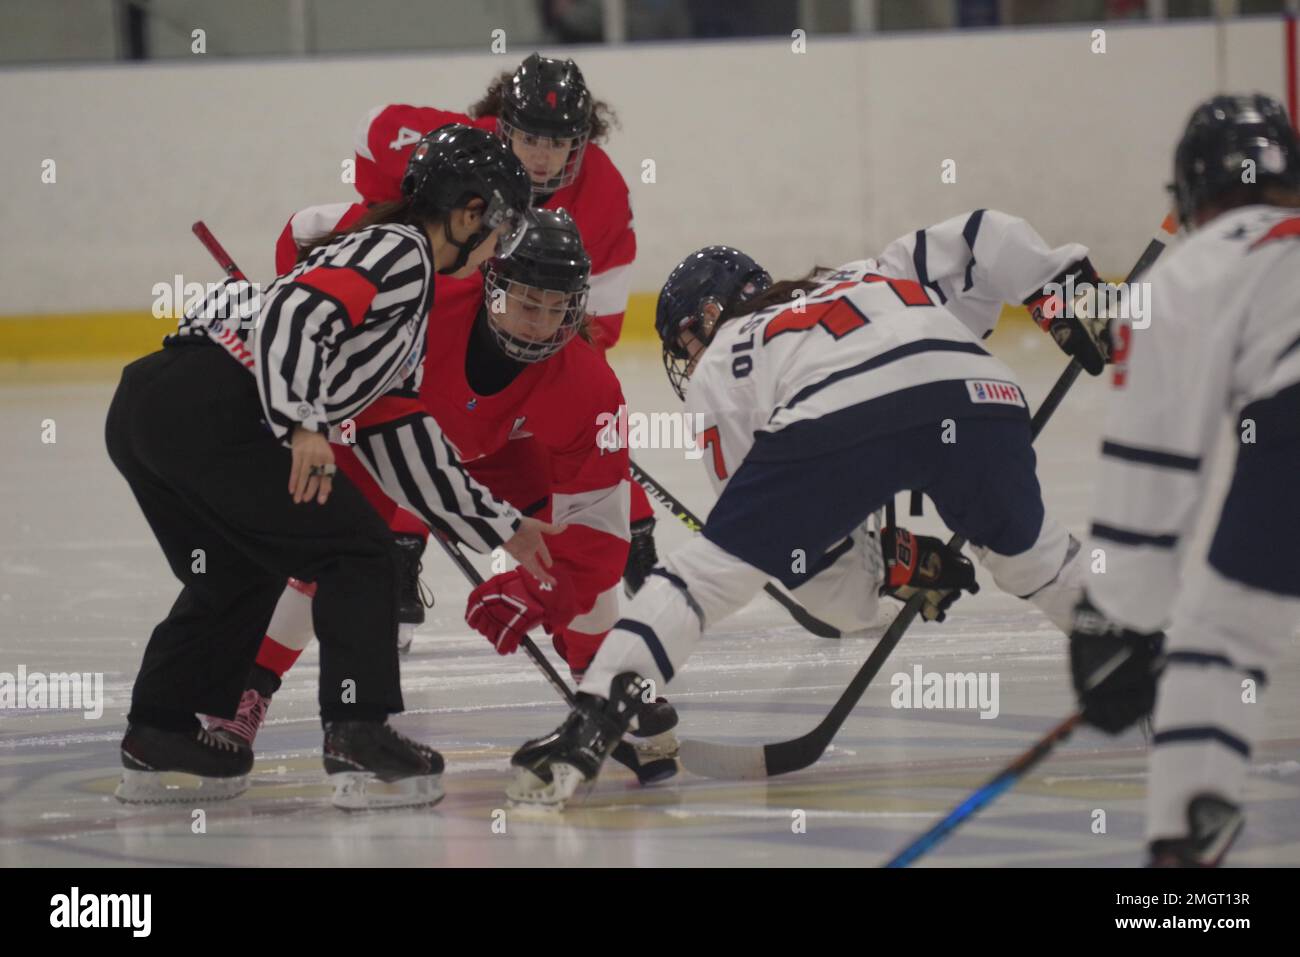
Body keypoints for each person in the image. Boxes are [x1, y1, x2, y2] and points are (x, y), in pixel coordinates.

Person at [499, 208, 1114, 807]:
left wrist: (880, 575)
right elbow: (982, 236)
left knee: (702, 577)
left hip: (837, 415)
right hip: (981, 394)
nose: (688, 357)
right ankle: (1148, 661)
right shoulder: (869, 271)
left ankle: (592, 720)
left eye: (685, 339)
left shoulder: (724, 360)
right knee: (1041, 565)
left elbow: (806, 568)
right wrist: (1061, 291)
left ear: (709, 315)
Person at [107, 124, 559, 810]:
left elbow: (398, 436)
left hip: (153, 407)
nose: (498, 250)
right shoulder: (403, 253)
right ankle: (357, 727)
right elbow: (297, 308)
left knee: (235, 570)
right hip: (212, 406)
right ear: (469, 214)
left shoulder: (401, 286)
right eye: (499, 230)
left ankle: (158, 732)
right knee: (359, 550)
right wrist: (304, 422)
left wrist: (501, 524)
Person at [210, 208, 681, 768]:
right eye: (527, 302)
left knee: (560, 549)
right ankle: (245, 692)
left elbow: (599, 534)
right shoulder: (422, 296)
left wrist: (539, 594)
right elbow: (309, 228)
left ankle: (603, 701)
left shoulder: (589, 387)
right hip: (378, 430)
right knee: (331, 553)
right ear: (490, 281)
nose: (540, 324)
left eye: (559, 308)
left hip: (497, 453)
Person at [1069, 93, 1300, 866]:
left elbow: (1156, 465)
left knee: (1217, 632)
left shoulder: (1192, 270)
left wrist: (1120, 621)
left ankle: (1183, 871)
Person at [348, 52, 660, 606]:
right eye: (529, 140)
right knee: (419, 419)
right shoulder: (460, 149)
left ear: (583, 141)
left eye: (559, 142)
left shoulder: (605, 193)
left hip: (523, 338)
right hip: (432, 328)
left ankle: (607, 541)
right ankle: (398, 546)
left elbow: (596, 328)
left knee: (535, 437)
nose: (542, 159)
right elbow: (375, 130)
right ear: (501, 127)